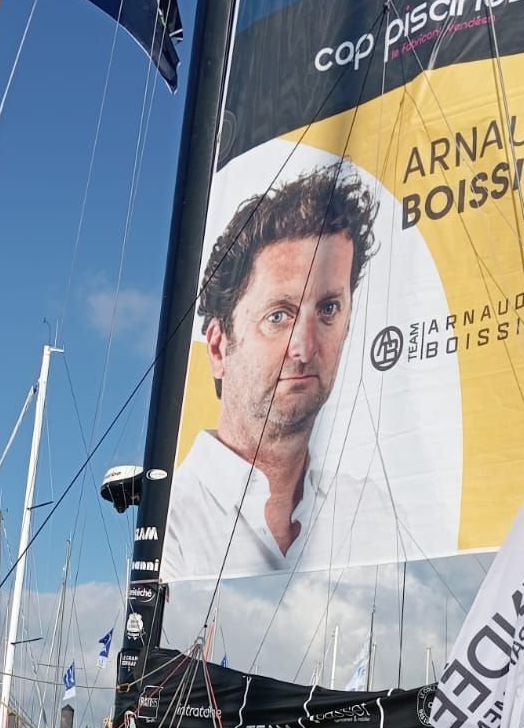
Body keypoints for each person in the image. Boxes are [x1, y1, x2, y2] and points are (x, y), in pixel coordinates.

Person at [162, 164, 379, 582]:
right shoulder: (173, 520)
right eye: (278, 316)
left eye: (328, 309)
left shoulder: (369, 511)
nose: (304, 347)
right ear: (219, 346)